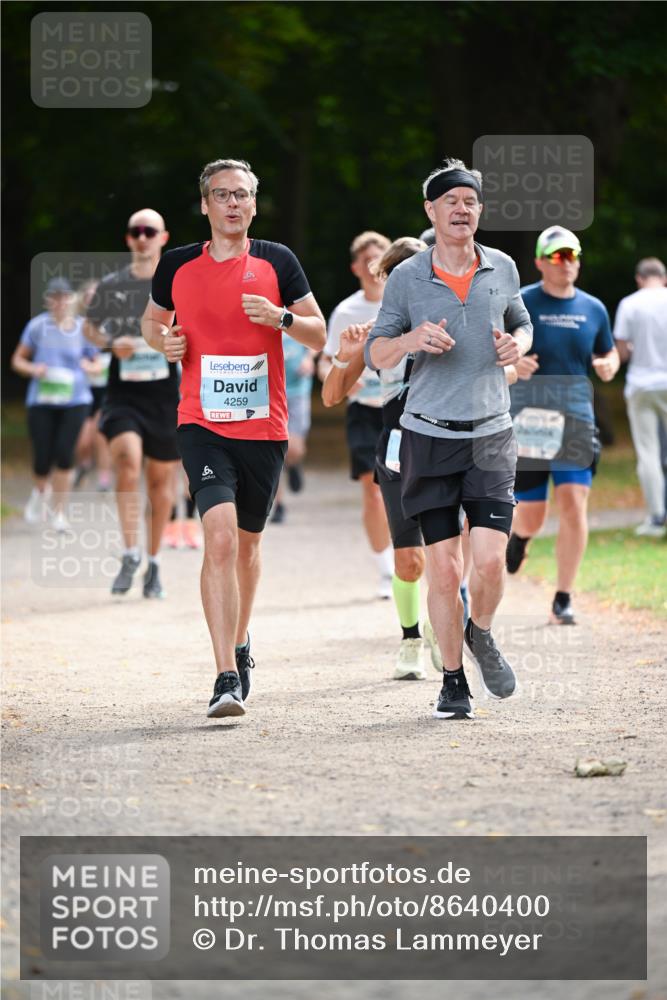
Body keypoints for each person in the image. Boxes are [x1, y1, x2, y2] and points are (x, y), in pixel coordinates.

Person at [141, 157, 326, 719]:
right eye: (221, 194)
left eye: (242, 194)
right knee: (217, 537)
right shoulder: (176, 265)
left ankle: (241, 640)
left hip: (263, 426)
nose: (232, 203)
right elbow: (153, 322)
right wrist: (163, 344)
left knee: (247, 544)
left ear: (253, 203)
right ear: (204, 204)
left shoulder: (277, 262)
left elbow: (320, 334)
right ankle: (224, 675)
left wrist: (281, 319)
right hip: (200, 423)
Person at [366, 158, 533, 720]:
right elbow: (377, 351)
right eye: (451, 201)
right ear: (430, 211)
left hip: (491, 434)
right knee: (443, 569)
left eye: (471, 201)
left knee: (488, 564)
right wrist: (412, 336)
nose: (462, 209)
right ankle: (453, 680)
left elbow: (521, 318)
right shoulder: (408, 277)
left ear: (480, 211)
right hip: (428, 437)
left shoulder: (503, 266)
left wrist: (517, 340)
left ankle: (479, 632)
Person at [506, 226, 619, 623]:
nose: (566, 263)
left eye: (572, 255)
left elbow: (608, 352)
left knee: (573, 503)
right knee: (533, 514)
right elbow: (495, 352)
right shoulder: (520, 303)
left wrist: (610, 364)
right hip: (531, 421)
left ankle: (563, 597)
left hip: (575, 418)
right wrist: (513, 364)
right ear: (539, 262)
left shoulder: (593, 308)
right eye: (556, 256)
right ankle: (521, 537)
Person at [84, 209, 179, 599]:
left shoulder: (176, 283)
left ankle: (153, 563)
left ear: (163, 237)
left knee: (160, 483)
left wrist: (174, 343)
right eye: (135, 231)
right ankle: (128, 552)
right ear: (128, 239)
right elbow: (90, 329)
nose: (142, 237)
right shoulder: (112, 285)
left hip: (165, 396)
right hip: (123, 394)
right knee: (126, 459)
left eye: (149, 231)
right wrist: (110, 343)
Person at [318, 231, 395, 598]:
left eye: (379, 257)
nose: (373, 265)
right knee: (373, 490)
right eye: (366, 259)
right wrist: (345, 380)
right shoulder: (346, 312)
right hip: (364, 411)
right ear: (355, 268)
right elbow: (326, 363)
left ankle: (407, 552)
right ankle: (385, 569)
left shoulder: (404, 303)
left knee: (406, 488)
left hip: (402, 410)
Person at [11, 278, 99, 531]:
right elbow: (17, 360)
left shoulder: (84, 328)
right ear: (48, 300)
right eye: (54, 297)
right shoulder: (37, 327)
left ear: (72, 299)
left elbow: (97, 363)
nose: (59, 302)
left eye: (64, 297)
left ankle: (58, 513)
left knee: (64, 453)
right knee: (42, 456)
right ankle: (40, 492)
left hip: (76, 399)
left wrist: (88, 366)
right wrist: (33, 368)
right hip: (42, 399)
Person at [613, 257, 667, 537]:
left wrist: (632, 348)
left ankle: (656, 518)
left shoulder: (630, 304)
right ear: (664, 277)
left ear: (639, 279)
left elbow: (621, 353)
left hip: (642, 385)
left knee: (648, 453)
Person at [270, 336, 316, 524]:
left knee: (294, 448)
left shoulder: (298, 311)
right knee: (275, 452)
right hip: (271, 393)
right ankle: (279, 505)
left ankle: (294, 463)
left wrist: (309, 358)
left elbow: (318, 340)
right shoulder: (260, 314)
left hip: (298, 392)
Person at [74, 279, 113, 492]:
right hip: (82, 388)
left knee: (101, 434)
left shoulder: (111, 324)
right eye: (88, 296)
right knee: (83, 438)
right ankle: (84, 464)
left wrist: (102, 362)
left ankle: (104, 478)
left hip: (105, 388)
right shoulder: (76, 325)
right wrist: (83, 364)